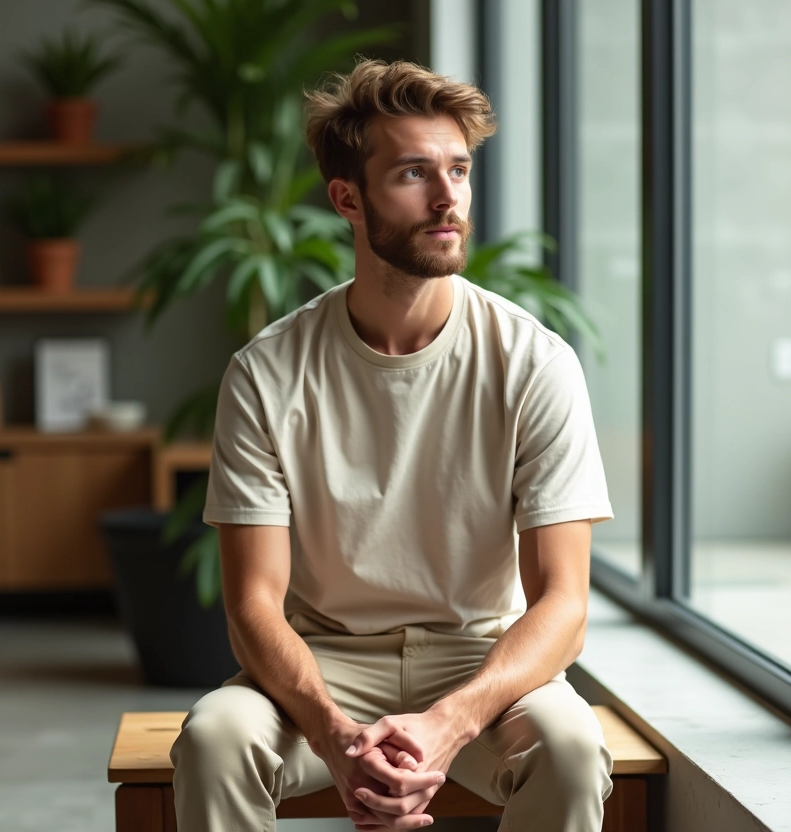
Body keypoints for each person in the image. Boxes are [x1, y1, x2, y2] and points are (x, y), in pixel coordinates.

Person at [170, 59, 615, 832]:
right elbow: (252, 604)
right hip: (325, 661)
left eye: (459, 170)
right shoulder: (268, 373)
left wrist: (447, 724)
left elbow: (564, 605)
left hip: (481, 658)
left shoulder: (535, 362)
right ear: (348, 197)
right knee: (214, 740)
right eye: (414, 173)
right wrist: (337, 739)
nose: (449, 198)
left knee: (571, 751)